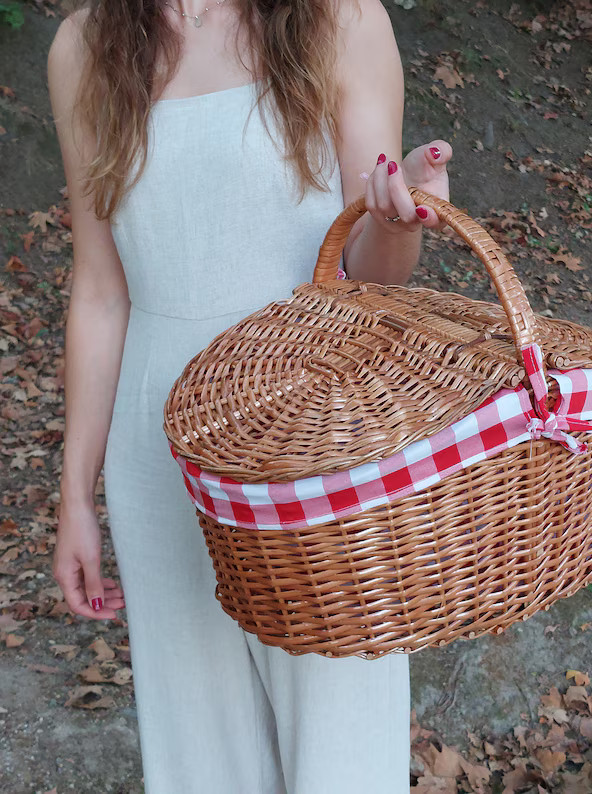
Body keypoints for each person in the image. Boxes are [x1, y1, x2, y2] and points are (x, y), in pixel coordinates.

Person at [46, 0, 452, 791]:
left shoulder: (340, 19)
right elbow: (100, 291)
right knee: (200, 756)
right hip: (157, 452)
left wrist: (399, 224)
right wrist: (75, 498)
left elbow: (365, 274)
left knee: (344, 748)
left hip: (314, 430)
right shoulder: (85, 45)